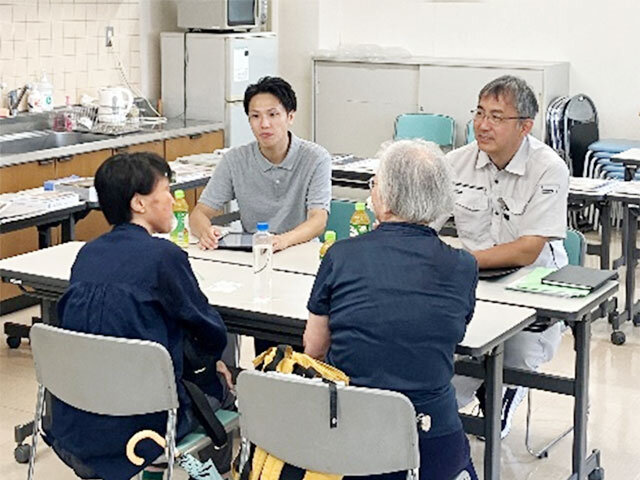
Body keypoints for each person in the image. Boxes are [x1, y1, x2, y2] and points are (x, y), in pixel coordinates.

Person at [44, 152, 234, 480]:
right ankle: (213, 473)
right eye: (167, 192)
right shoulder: (164, 256)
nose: (173, 201)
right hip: (143, 426)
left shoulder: (87, 254)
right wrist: (216, 364)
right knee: (230, 379)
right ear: (139, 203)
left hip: (78, 420)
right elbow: (210, 331)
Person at [305, 139, 479, 480]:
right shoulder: (463, 266)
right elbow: (451, 336)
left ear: (384, 197)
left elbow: (313, 348)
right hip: (431, 436)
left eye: (374, 184)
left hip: (348, 435)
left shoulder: (341, 255)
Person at [445, 75, 570, 438]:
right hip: (474, 282)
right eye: (479, 113)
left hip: (532, 287)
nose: (483, 125)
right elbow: (422, 221)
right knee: (449, 379)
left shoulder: (549, 167)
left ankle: (505, 392)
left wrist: (456, 262)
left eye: (497, 117)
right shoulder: (455, 163)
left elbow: (529, 248)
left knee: (515, 364)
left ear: (525, 126)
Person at [190, 76, 332, 253]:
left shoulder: (316, 158)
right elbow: (199, 214)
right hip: (254, 252)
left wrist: (282, 240)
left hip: (300, 249)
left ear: (290, 116)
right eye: (255, 116)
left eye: (273, 115)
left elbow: (318, 220)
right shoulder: (235, 159)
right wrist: (206, 232)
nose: (264, 124)